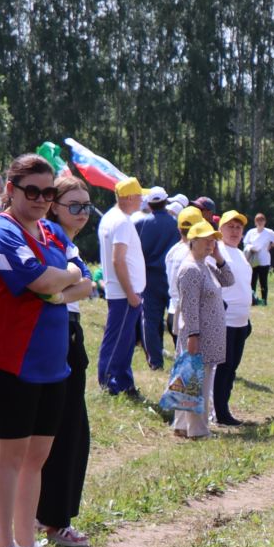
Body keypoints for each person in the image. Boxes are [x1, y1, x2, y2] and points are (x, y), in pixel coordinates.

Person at [0, 153, 92, 547]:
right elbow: (42, 282)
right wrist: (60, 281)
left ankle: (27, 546)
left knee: (37, 459)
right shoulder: (1, 231)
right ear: (11, 189)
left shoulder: (49, 231)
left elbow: (82, 280)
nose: (43, 199)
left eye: (48, 192)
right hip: (10, 360)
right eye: (33, 191)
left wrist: (58, 287)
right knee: (10, 458)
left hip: (52, 362)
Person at [38, 174, 97, 546]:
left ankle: (52, 515)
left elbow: (87, 283)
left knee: (73, 431)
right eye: (73, 205)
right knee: (63, 431)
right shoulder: (49, 235)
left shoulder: (67, 241)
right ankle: (54, 519)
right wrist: (65, 291)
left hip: (67, 326)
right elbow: (61, 285)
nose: (82, 212)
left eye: (87, 206)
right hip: (57, 331)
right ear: (54, 206)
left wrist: (66, 289)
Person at [170, 220, 229, 439]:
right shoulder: (191, 269)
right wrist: (193, 335)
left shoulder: (205, 264)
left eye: (213, 240)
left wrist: (219, 257)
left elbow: (229, 279)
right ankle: (198, 430)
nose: (211, 244)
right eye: (207, 240)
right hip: (199, 335)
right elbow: (189, 306)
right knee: (198, 382)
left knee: (189, 379)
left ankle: (182, 426)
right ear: (193, 242)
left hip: (208, 335)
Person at [96, 177, 146, 397]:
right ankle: (108, 382)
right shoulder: (123, 222)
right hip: (125, 293)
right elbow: (118, 259)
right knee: (117, 340)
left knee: (124, 341)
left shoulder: (111, 217)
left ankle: (124, 382)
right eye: (139, 196)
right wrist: (130, 293)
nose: (142, 200)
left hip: (123, 291)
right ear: (128, 197)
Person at [213, 210, 255, 425]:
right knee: (223, 366)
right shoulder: (217, 251)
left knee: (232, 367)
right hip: (225, 319)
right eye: (231, 226)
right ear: (221, 229)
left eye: (239, 227)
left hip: (241, 320)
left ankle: (222, 408)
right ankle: (219, 412)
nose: (235, 231)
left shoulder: (239, 254)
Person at [133, 186, 181, 370]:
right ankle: (181, 356)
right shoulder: (175, 224)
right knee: (177, 317)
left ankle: (155, 361)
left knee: (151, 319)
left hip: (149, 277)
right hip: (172, 276)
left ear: (150, 205)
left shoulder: (141, 223)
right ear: (166, 202)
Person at [242, 211, 274, 306]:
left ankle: (264, 300)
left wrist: (271, 246)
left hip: (264, 260)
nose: (260, 222)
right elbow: (245, 243)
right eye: (258, 221)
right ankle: (252, 300)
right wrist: (250, 248)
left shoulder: (268, 232)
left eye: (261, 220)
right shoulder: (251, 232)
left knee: (263, 281)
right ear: (255, 222)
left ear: (264, 222)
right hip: (253, 259)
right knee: (252, 281)